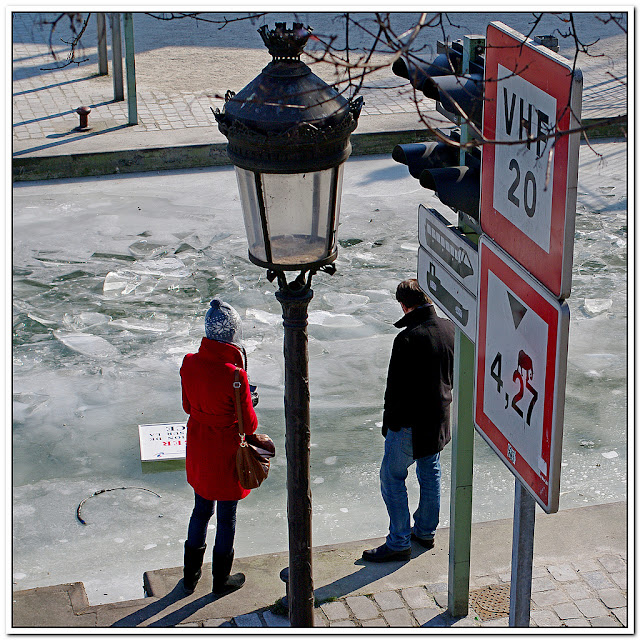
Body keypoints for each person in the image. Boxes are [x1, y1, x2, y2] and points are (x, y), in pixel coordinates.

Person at [362, 279, 455, 563]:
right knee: (430, 473)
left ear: (404, 306)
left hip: (409, 425)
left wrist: (389, 425)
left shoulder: (407, 339)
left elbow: (395, 390)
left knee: (391, 477)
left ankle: (399, 542)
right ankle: (425, 532)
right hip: (439, 419)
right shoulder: (450, 329)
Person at [180, 298, 258, 594]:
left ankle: (190, 577)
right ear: (233, 333)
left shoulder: (189, 362)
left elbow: (188, 407)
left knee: (200, 511)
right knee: (227, 517)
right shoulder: (235, 375)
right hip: (226, 452)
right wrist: (250, 400)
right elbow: (249, 426)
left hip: (200, 447)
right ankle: (220, 580)